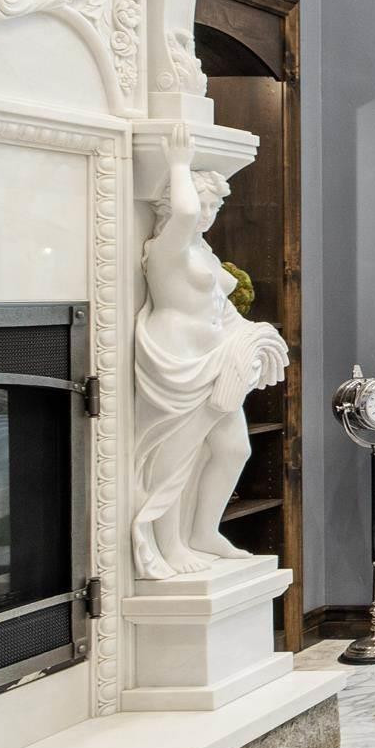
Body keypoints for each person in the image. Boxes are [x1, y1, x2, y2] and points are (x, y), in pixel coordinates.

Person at [131, 121, 287, 580]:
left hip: (217, 363)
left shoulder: (206, 253)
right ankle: (169, 542)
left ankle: (203, 531)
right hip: (177, 360)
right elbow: (180, 216)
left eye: (215, 204)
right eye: (203, 202)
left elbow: (220, 309)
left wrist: (254, 338)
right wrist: (179, 164)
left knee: (232, 448)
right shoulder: (166, 249)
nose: (208, 213)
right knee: (174, 458)